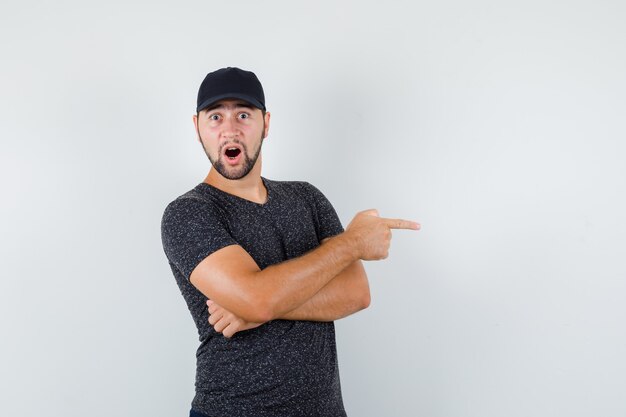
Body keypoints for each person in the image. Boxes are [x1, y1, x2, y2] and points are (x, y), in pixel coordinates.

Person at [160, 67, 420, 417]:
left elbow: (356, 293)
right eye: (215, 117)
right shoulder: (188, 214)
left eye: (243, 115)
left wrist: (256, 307)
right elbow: (257, 300)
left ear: (266, 123)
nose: (230, 129)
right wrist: (352, 244)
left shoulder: (307, 198)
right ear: (197, 128)